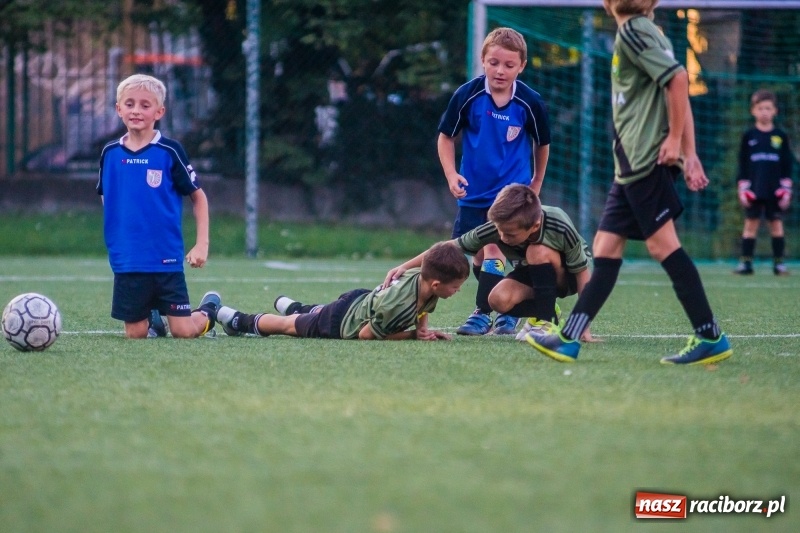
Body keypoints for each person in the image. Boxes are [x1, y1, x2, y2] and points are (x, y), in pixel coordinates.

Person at [527, 0, 732, 365]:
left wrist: (676, 145)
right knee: (605, 248)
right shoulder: (643, 33)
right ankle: (569, 338)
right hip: (630, 168)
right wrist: (690, 152)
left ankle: (710, 335)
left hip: (645, 161)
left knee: (662, 246)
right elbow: (675, 86)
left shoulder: (636, 29)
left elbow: (679, 79)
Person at [438, 27, 551, 336]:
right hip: (473, 193)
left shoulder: (530, 102)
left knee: (493, 251)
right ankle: (508, 308)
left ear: (522, 66)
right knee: (478, 256)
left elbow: (542, 145)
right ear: (483, 61)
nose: (500, 71)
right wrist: (451, 174)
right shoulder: (468, 95)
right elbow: (446, 137)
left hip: (511, 197)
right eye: (494, 63)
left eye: (509, 65)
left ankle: (482, 312)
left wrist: (536, 183)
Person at [384, 185, 595, 341]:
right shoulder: (500, 228)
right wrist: (405, 266)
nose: (502, 237)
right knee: (497, 300)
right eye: (499, 230)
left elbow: (582, 272)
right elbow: (450, 246)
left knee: (537, 250)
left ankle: (545, 321)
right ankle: (549, 309)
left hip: (567, 276)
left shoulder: (557, 223)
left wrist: (583, 323)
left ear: (534, 225)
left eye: (509, 234)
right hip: (534, 273)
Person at [96, 74, 219, 339]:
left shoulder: (169, 151)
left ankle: (209, 310)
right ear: (119, 109)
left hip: (166, 258)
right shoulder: (110, 153)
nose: (136, 111)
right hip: (128, 259)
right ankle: (152, 318)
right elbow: (106, 195)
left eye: (145, 105)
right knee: (136, 335)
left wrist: (201, 245)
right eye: (129, 104)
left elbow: (198, 197)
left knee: (184, 332)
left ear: (159, 111)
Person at [214, 241, 469, 340]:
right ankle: (236, 319)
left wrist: (424, 330)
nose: (457, 291)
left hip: (359, 300)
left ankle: (297, 307)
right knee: (288, 326)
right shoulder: (398, 305)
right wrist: (414, 335)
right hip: (342, 321)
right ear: (436, 285)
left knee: (307, 316)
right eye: (456, 287)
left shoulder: (423, 280)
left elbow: (423, 309)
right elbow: (366, 335)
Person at [734, 89, 793, 276]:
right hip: (754, 189)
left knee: (776, 224)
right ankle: (746, 263)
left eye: (768, 108)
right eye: (760, 108)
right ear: (753, 110)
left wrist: (786, 189)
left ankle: (779, 264)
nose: (764, 112)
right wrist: (742, 188)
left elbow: (787, 165)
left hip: (775, 190)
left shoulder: (780, 136)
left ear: (775, 110)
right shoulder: (749, 136)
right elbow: (742, 164)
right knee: (750, 224)